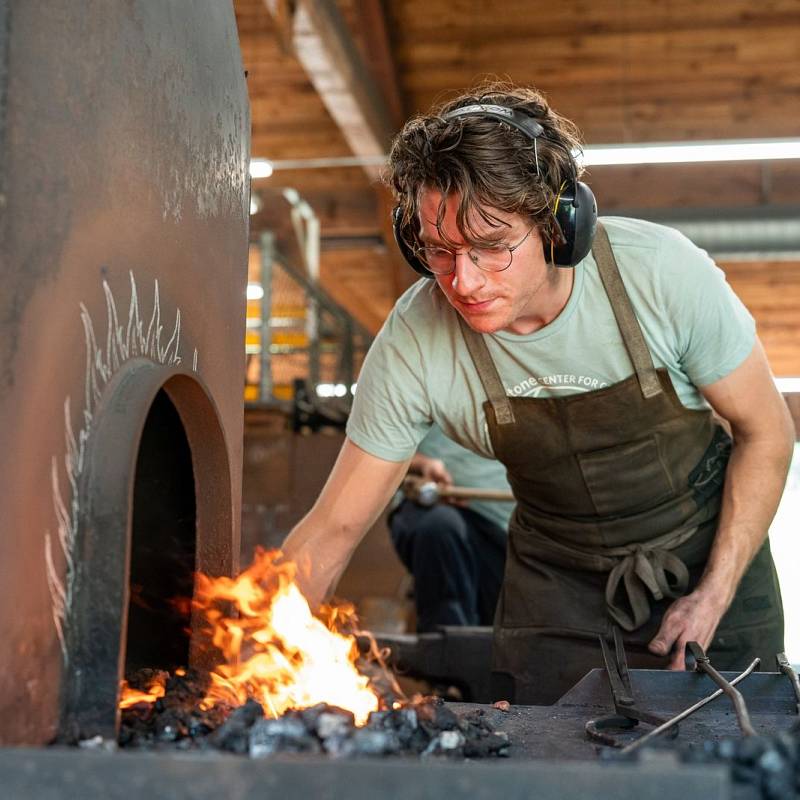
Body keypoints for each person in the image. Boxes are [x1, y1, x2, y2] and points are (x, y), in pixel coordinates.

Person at [283, 82, 795, 703]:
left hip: (710, 567)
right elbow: (333, 529)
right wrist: (252, 653)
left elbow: (768, 432)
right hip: (558, 593)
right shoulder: (415, 342)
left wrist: (714, 592)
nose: (463, 282)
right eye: (439, 251)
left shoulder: (659, 274)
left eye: (492, 248)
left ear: (559, 224)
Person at [390, 424, 511, 632]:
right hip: (438, 510)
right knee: (440, 527)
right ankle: (448, 651)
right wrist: (422, 464)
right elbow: (378, 448)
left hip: (518, 528)